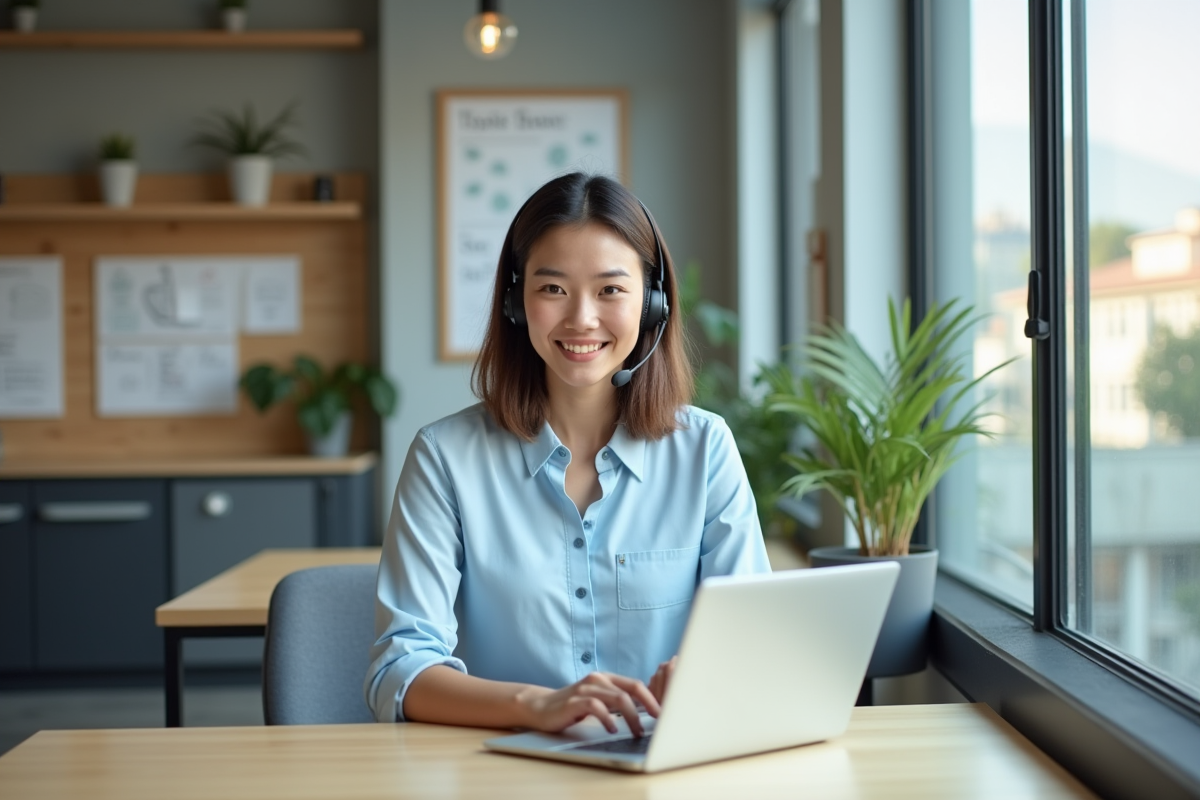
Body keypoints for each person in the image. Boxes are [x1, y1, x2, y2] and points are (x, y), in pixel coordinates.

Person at [364, 172, 770, 735]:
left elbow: (755, 644)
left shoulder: (705, 449)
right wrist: (537, 706)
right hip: (502, 770)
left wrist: (712, 671)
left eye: (610, 289)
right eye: (553, 288)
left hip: (666, 771)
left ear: (653, 304)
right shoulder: (444, 457)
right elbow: (399, 671)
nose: (582, 317)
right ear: (515, 300)